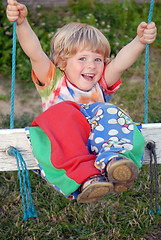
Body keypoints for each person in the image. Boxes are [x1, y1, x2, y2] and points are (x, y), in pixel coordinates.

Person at [6, 0, 157, 203]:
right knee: (62, 114)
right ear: (61, 62)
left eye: (98, 60)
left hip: (97, 142)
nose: (92, 66)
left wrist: (139, 41)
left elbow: (120, 63)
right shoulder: (54, 82)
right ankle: (88, 179)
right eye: (82, 59)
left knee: (108, 111)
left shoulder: (100, 85)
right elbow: (35, 53)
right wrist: (22, 24)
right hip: (68, 146)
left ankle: (114, 161)